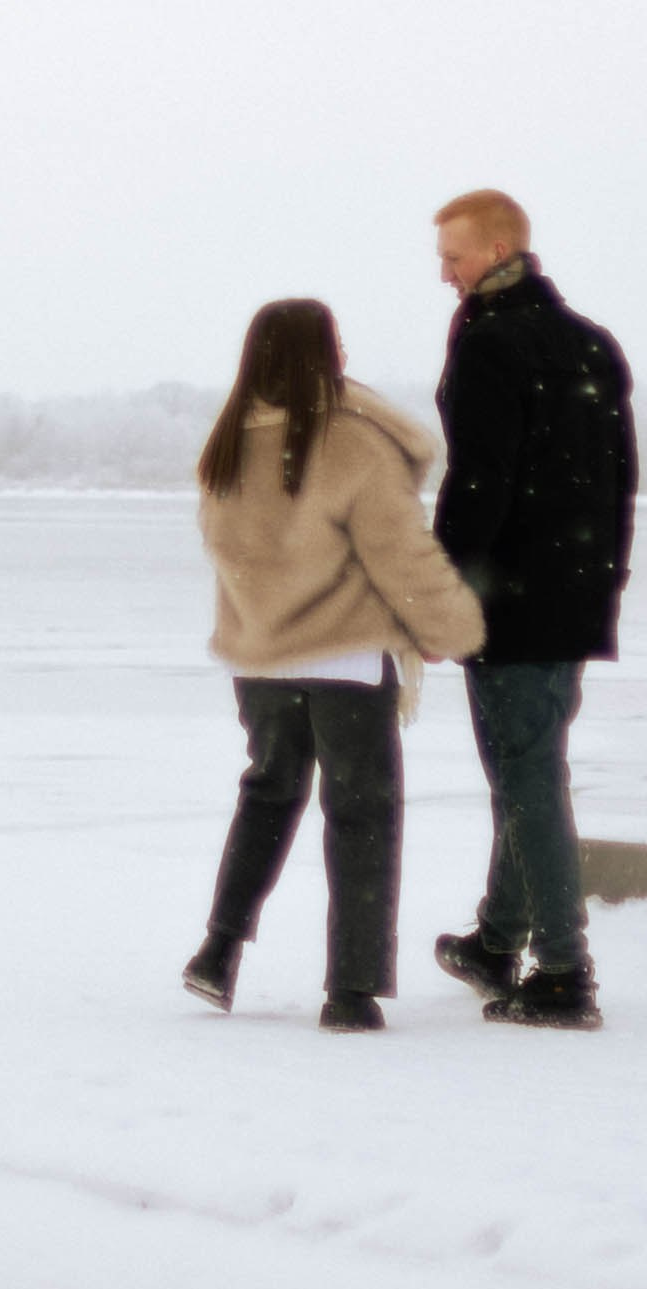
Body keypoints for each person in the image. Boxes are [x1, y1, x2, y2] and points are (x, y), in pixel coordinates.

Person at [184, 298, 485, 1033]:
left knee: (265, 796)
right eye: (336, 341)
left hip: (260, 661)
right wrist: (449, 628)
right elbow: (401, 552)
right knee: (360, 816)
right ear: (318, 355)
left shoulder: (225, 446)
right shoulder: (350, 443)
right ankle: (349, 989)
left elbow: (235, 555)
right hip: (347, 658)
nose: (346, 351)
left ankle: (217, 952)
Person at [429, 190, 636, 1031]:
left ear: (500, 246)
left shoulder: (490, 346)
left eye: (454, 256)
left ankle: (561, 969)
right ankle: (496, 940)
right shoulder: (590, 341)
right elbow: (617, 479)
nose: (443, 273)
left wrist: (442, 589)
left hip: (511, 601)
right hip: (573, 591)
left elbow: (476, 487)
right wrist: (601, 583)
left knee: (526, 780)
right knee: (531, 767)